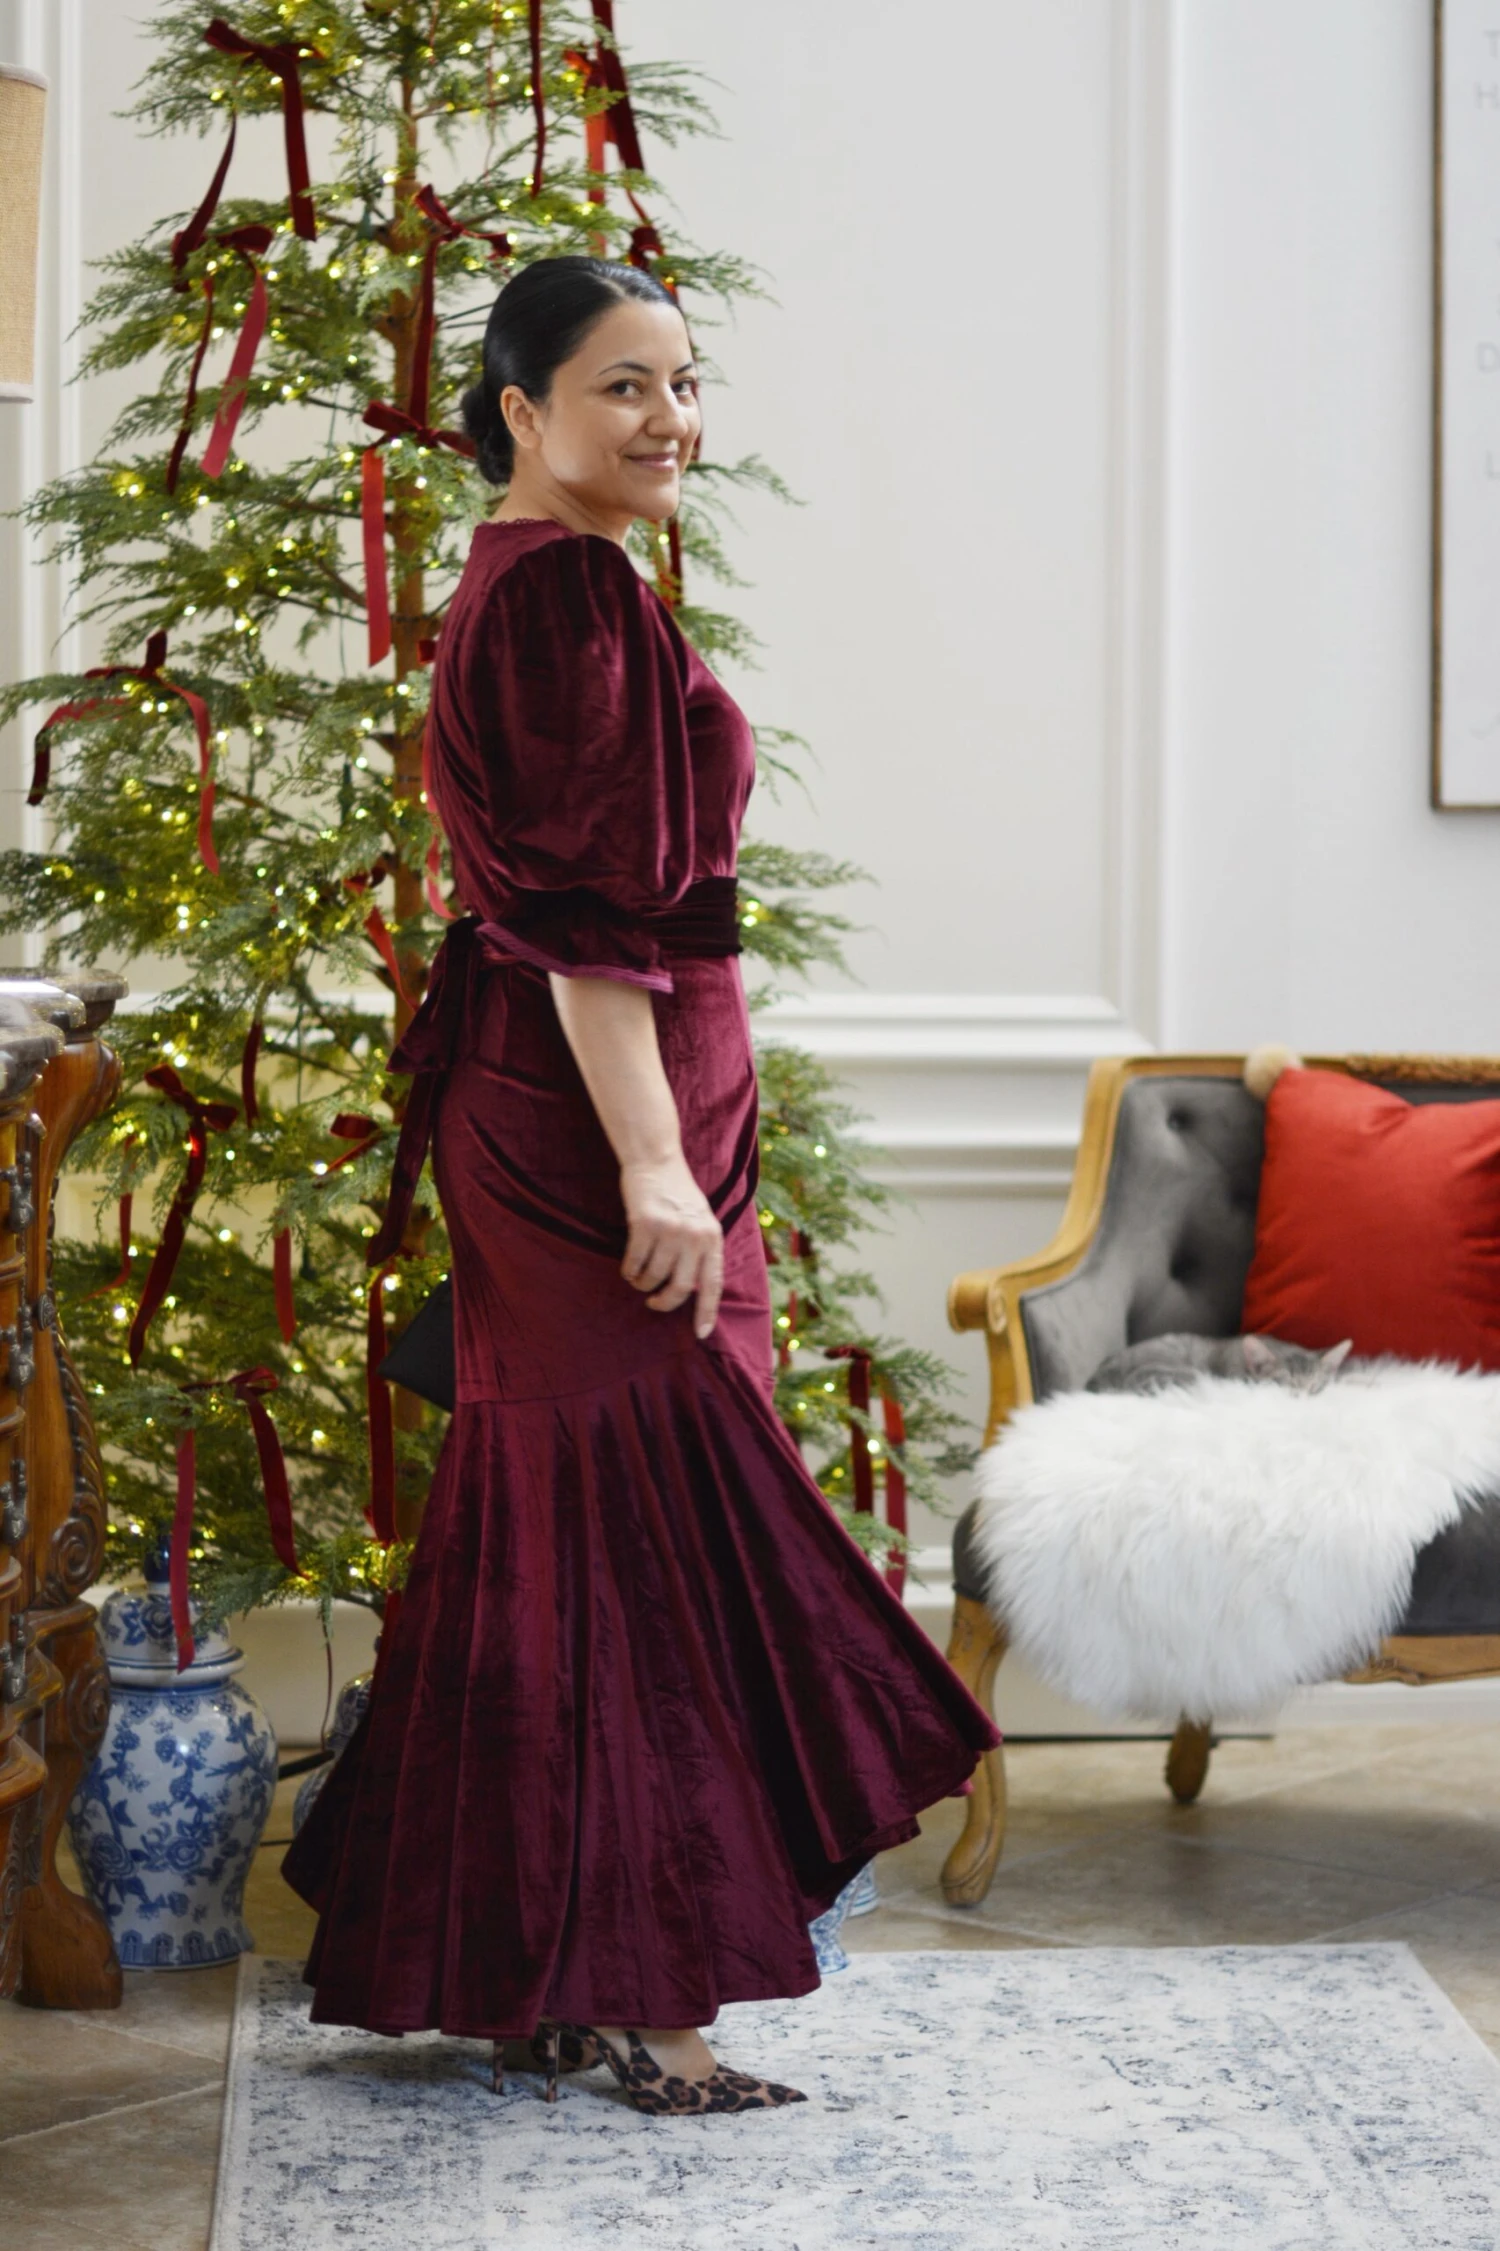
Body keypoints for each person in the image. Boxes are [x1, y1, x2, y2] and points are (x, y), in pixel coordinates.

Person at [281, 255, 1000, 2117]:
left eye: (685, 382)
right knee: (648, 1541)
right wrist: (659, 1167)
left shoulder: (542, 581)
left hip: (592, 1118)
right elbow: (590, 925)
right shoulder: (566, 597)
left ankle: (538, 1970)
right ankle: (660, 2005)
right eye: (623, 385)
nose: (670, 418)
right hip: (600, 1141)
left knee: (568, 1532)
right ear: (521, 411)